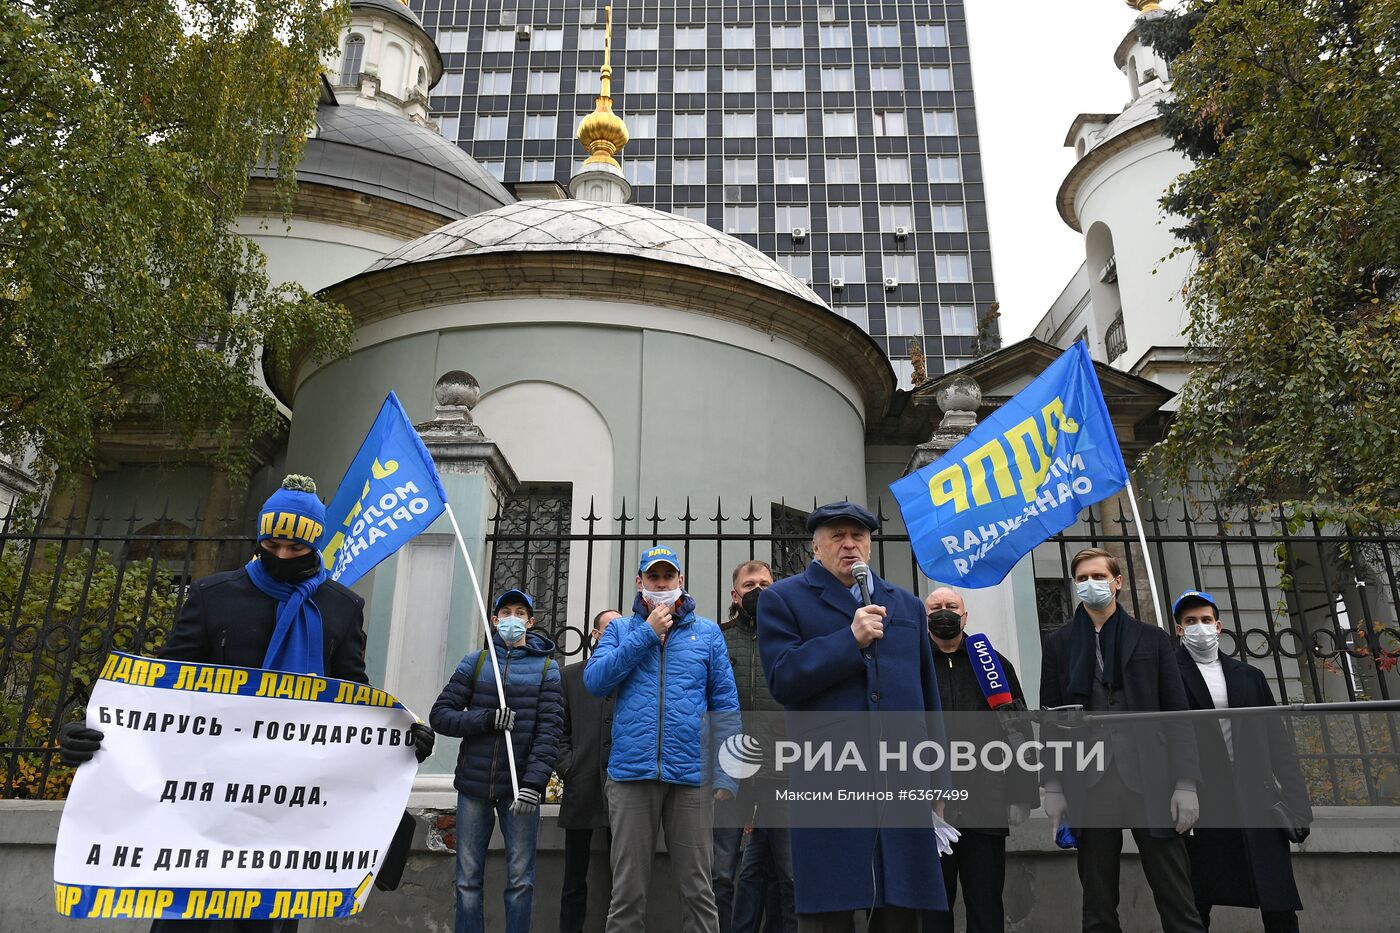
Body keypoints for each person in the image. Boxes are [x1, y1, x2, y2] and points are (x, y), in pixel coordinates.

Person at [56, 474, 434, 933]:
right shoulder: (214, 595)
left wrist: (399, 737)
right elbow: (160, 694)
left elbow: (353, 700)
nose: (281, 556)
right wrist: (98, 735)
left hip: (287, 808)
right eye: (272, 544)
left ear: (313, 545)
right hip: (201, 801)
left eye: (295, 548)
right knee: (182, 924)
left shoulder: (341, 607)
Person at [757, 501, 947, 933]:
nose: (849, 545)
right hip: (831, 779)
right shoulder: (782, 600)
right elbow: (783, 678)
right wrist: (850, 639)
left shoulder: (908, 605)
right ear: (815, 546)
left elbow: (927, 696)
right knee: (831, 910)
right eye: (837, 537)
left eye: (858, 536)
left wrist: (939, 779)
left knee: (901, 906)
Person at [1040, 547, 1204, 933]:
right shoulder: (1059, 643)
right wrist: (1052, 786)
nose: (1090, 584)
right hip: (1089, 780)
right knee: (1097, 904)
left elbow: (1177, 713)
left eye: (1098, 576)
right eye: (1082, 579)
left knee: (1176, 896)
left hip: (1152, 777)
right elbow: (1051, 719)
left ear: (1117, 583)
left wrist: (1186, 783)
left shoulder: (1153, 639)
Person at [584, 544, 741, 933]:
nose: (661, 583)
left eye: (668, 576)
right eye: (653, 577)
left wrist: (728, 773)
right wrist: (647, 636)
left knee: (699, 892)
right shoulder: (621, 629)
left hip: (691, 778)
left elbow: (725, 704)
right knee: (627, 894)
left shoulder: (706, 632)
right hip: (631, 776)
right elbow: (595, 681)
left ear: (680, 582)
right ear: (640, 583)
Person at [1171, 590, 1312, 932]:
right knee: (1196, 903)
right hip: (1204, 804)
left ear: (1218, 626)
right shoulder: (1169, 677)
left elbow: (1278, 744)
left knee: (1278, 904)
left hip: (1257, 801)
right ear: (1178, 630)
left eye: (1205, 620)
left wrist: (1298, 805)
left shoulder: (1249, 677)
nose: (1199, 627)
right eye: (1190, 622)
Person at [430, 588, 564, 933]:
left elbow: (549, 733)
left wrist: (534, 784)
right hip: (473, 789)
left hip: (520, 791)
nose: (512, 620)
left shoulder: (547, 669)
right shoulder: (474, 663)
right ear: (494, 620)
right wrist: (485, 719)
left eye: (520, 613)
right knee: (467, 880)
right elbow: (441, 716)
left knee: (521, 881)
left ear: (531, 622)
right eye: (506, 613)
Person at [920, 587, 1039, 933]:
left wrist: (1022, 794)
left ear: (965, 616)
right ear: (924, 617)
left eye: (951, 606)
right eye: (936, 607)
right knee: (932, 906)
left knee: (986, 903)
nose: (944, 612)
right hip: (930, 807)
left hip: (985, 802)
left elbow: (1017, 731)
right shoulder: (914, 664)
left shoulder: (994, 665)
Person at [718, 560, 796, 933]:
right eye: (750, 585)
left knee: (790, 874)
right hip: (728, 767)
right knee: (721, 876)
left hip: (780, 768)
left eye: (766, 583)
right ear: (735, 595)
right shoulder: (718, 638)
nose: (759, 591)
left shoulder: (789, 638)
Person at [557, 608, 621, 933]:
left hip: (623, 788)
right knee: (574, 879)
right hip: (580, 785)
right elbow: (557, 729)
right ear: (594, 635)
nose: (613, 633)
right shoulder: (570, 676)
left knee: (623, 879)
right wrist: (568, 765)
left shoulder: (631, 674)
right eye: (607, 628)